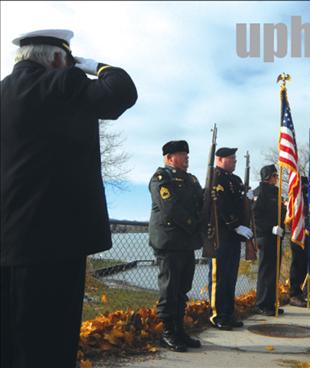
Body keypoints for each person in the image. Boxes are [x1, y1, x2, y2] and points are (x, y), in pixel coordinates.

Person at [1, 29, 137, 368]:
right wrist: (95, 66)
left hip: (6, 242)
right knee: (50, 343)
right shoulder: (59, 84)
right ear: (59, 59)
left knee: (9, 340)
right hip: (52, 244)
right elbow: (121, 92)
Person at [148, 140, 204, 352]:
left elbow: (201, 202)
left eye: (187, 154)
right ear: (170, 157)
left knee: (182, 288)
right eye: (182, 154)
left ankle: (179, 331)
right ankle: (167, 332)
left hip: (186, 242)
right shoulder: (161, 178)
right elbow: (170, 208)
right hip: (169, 242)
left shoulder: (191, 179)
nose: (187, 157)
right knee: (169, 289)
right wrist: (194, 224)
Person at [208, 147, 253, 330]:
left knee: (230, 277)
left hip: (235, 236)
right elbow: (220, 204)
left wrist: (247, 198)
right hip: (221, 234)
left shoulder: (235, 180)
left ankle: (228, 312)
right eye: (231, 158)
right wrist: (235, 225)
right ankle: (217, 315)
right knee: (219, 277)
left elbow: (237, 203)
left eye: (235, 158)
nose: (235, 161)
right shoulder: (215, 177)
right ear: (219, 159)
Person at [253, 165, 286, 316]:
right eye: (274, 175)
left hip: (276, 236)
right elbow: (256, 217)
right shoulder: (260, 192)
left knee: (274, 271)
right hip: (265, 236)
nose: (276, 178)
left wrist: (281, 229)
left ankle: (271, 303)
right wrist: (270, 228)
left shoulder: (276, 192)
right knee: (266, 271)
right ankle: (261, 304)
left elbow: (281, 213)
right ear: (267, 177)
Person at [288, 176, 309, 308]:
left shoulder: (307, 199)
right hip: (297, 236)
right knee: (297, 264)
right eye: (305, 185)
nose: (306, 188)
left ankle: (300, 291)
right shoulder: (296, 198)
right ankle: (294, 293)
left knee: (303, 265)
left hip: (307, 236)